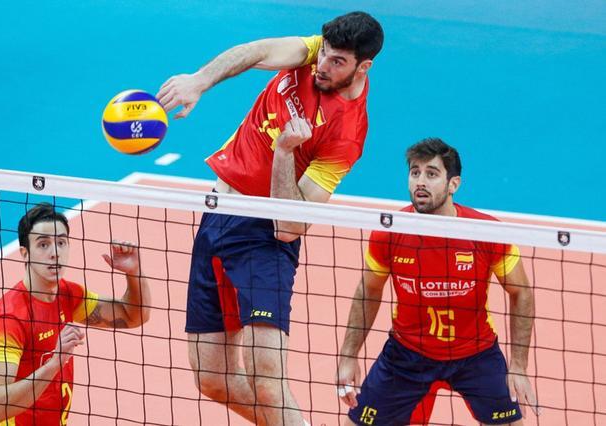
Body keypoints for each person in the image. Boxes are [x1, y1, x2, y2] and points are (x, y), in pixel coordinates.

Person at [157, 11, 384, 426]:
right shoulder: (314, 52)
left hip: (263, 240)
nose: (323, 66)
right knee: (211, 379)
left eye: (337, 63)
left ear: (362, 67)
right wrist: (199, 81)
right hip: (217, 216)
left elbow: (290, 227)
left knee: (267, 381)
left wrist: (284, 154)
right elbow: (257, 52)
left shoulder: (347, 135)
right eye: (325, 55)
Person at [336, 138, 540, 425]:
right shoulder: (388, 232)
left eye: (432, 174)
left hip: (476, 355)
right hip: (408, 354)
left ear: (453, 184)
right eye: (415, 172)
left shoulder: (486, 232)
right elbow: (368, 291)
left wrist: (518, 366)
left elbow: (522, 292)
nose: (421, 181)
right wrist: (348, 356)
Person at [0, 203, 151, 425]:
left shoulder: (68, 295)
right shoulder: (10, 319)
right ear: (25, 253)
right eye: (43, 244)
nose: (55, 253)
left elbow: (133, 316)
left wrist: (134, 273)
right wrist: (55, 363)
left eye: (61, 242)